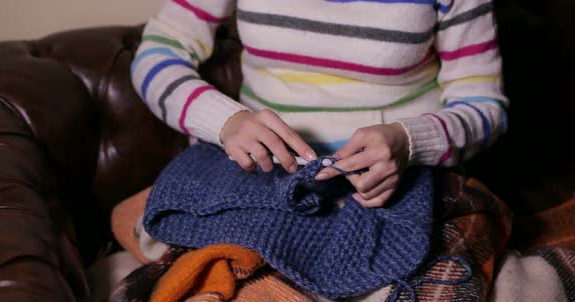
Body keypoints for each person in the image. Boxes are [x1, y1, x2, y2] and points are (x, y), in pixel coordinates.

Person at [131, 0, 507, 208]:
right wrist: (223, 120)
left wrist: (409, 142)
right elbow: (157, 54)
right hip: (255, 185)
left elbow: (485, 107)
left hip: (399, 191)